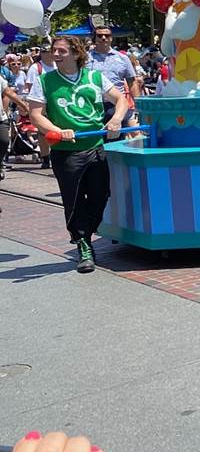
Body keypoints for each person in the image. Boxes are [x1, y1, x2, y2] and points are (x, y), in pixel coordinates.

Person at [27, 36, 128, 273]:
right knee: (73, 201)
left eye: (62, 51)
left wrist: (116, 119)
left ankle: (85, 234)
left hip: (95, 146)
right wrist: (57, 130)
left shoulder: (94, 77)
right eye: (54, 50)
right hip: (66, 152)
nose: (56, 54)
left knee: (101, 195)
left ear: (76, 53)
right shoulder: (45, 81)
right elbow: (36, 115)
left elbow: (121, 99)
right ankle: (83, 244)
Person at [86, 26, 141, 131]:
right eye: (99, 35)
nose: (103, 38)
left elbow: (132, 83)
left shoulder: (123, 58)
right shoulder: (85, 58)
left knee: (116, 138)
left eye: (107, 35)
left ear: (111, 38)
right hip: (92, 105)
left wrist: (139, 106)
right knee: (94, 137)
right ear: (94, 38)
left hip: (116, 106)